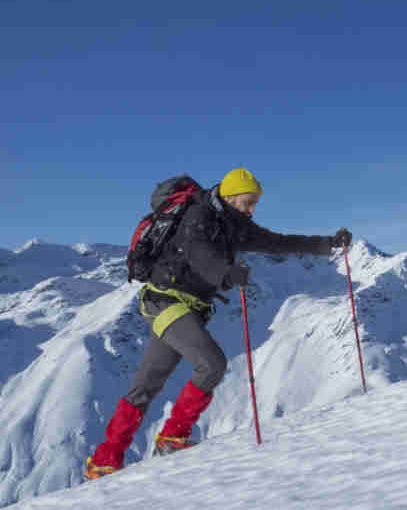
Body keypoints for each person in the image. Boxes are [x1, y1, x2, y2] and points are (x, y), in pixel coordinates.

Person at [84, 168, 352, 479]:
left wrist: (328, 243)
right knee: (212, 364)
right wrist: (226, 274)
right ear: (229, 197)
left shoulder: (235, 225)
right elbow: (199, 254)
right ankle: (173, 437)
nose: (251, 210)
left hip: (188, 307)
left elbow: (278, 242)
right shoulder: (199, 217)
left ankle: (104, 461)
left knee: (147, 385)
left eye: (254, 204)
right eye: (247, 203)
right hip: (166, 301)